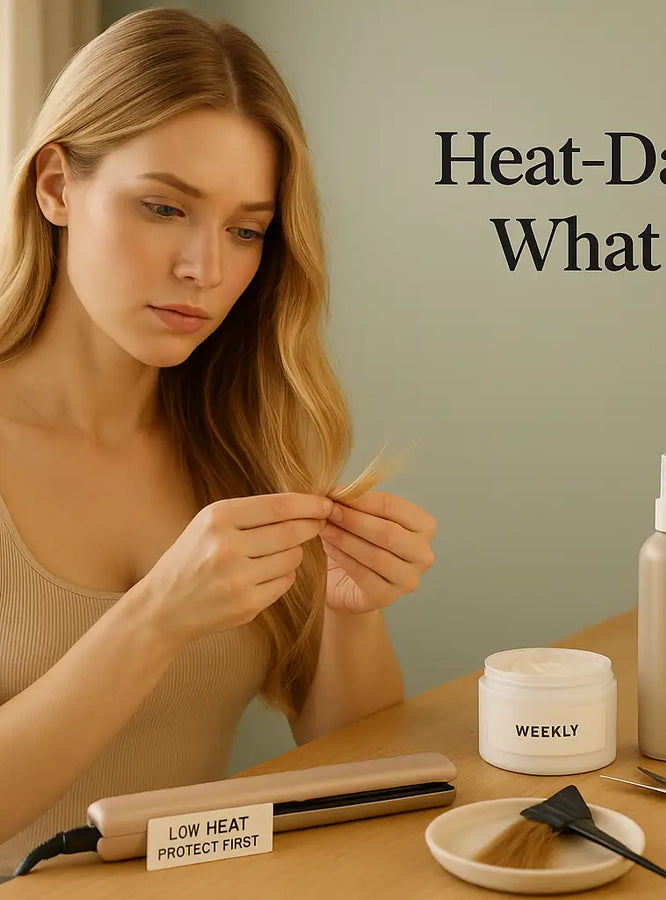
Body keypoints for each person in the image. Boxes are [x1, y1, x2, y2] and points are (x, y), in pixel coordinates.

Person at [0, 7, 436, 875]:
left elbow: (351, 767)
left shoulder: (243, 441)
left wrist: (352, 614)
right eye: (164, 207)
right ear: (55, 185)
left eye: (246, 230)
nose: (205, 268)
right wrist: (154, 619)